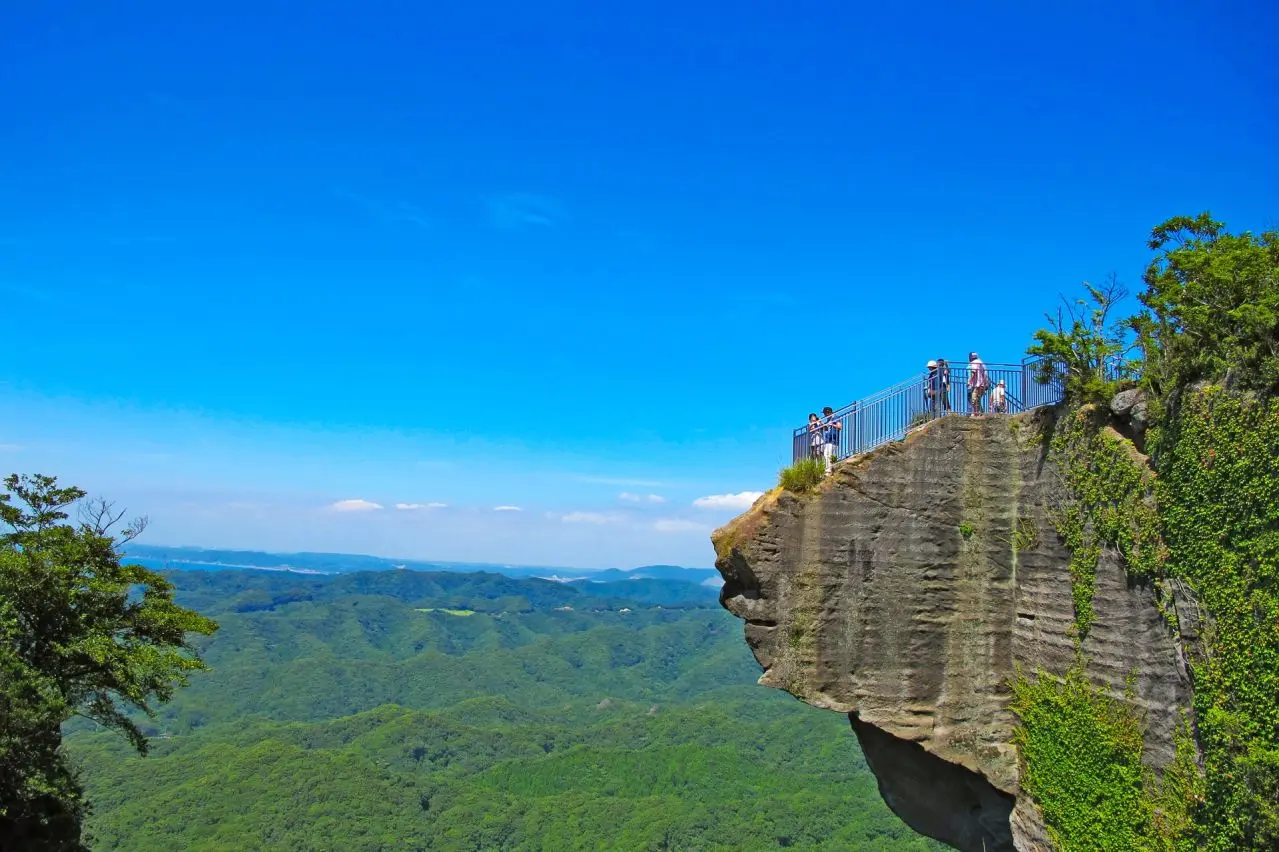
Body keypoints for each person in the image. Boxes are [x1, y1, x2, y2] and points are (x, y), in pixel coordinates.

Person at [820, 406, 842, 473]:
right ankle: (829, 468)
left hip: (833, 440)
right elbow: (827, 428)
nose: (824, 415)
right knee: (826, 454)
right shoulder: (828, 419)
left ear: (828, 412)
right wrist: (822, 424)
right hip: (828, 440)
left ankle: (828, 469)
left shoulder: (835, 417)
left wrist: (832, 424)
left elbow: (839, 427)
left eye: (824, 413)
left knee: (828, 454)